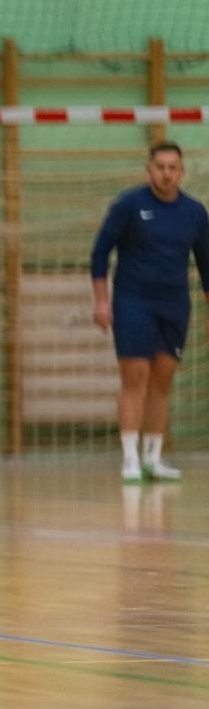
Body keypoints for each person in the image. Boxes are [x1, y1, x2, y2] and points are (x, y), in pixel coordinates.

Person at [91, 141, 209, 482]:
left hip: (174, 305)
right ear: (149, 169)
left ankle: (153, 459)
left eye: (173, 167)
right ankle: (129, 458)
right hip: (133, 301)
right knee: (136, 376)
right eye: (160, 167)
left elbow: (206, 265)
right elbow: (100, 253)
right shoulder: (129, 205)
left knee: (163, 380)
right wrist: (101, 301)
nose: (166, 173)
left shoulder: (195, 213)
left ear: (182, 171)